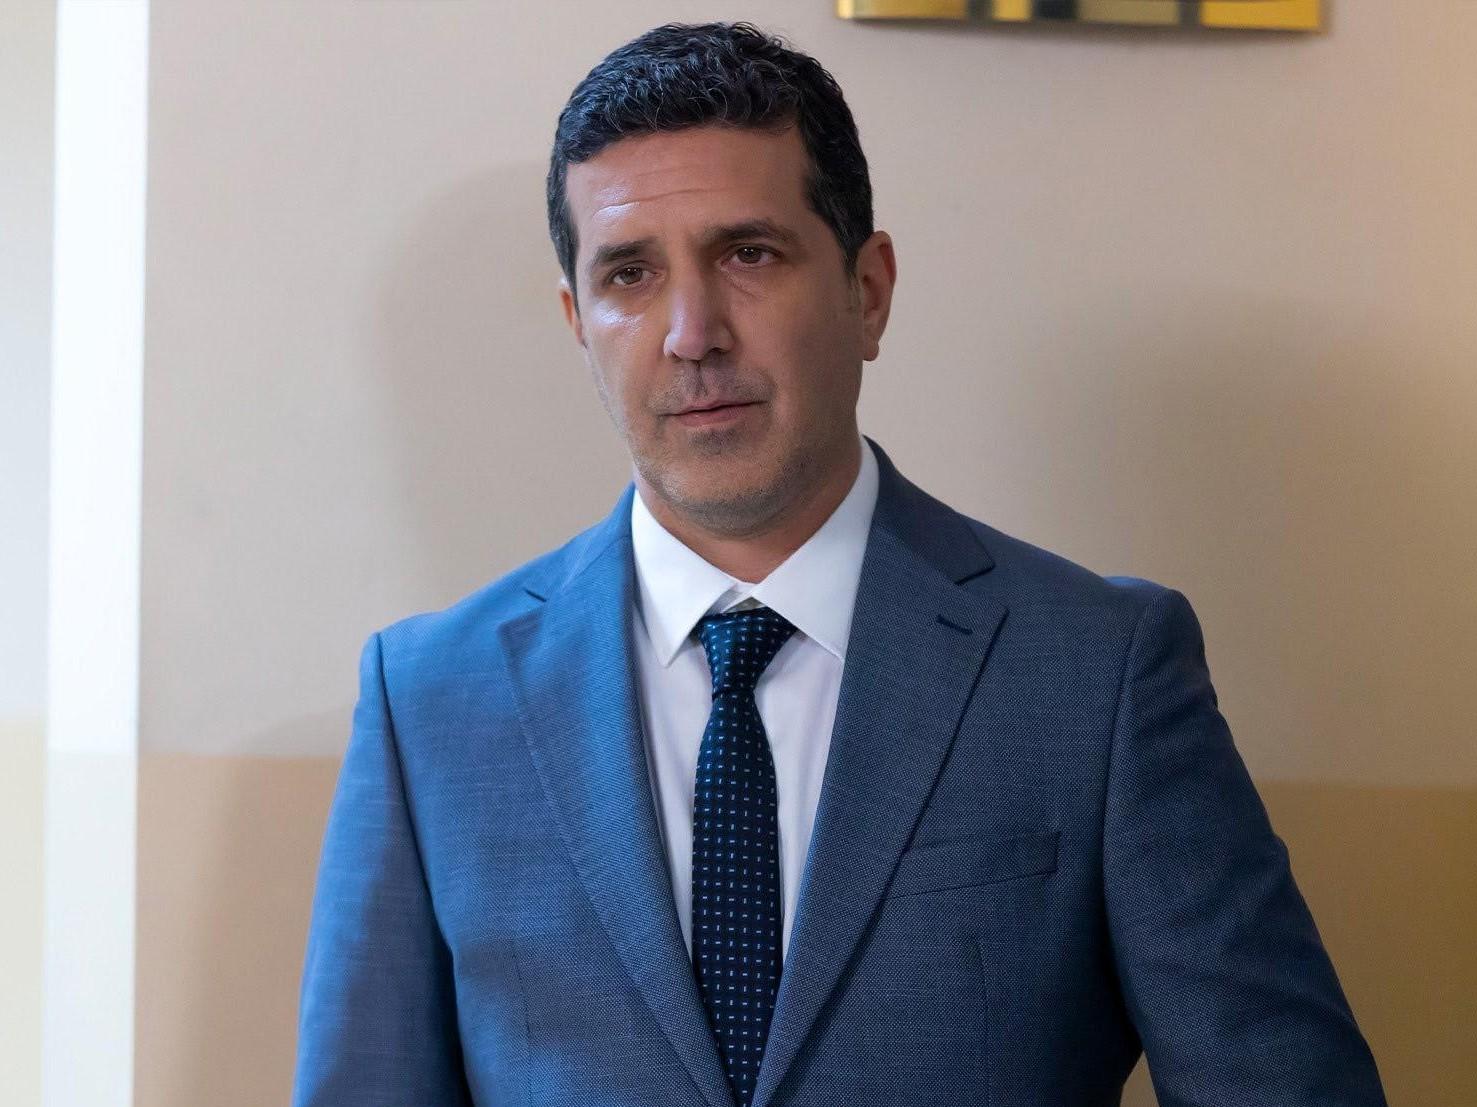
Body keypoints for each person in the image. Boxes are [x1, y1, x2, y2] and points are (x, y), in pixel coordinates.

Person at [292, 21, 1387, 1107]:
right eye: (630, 273)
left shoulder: (1097, 673)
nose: (691, 332)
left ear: (867, 290)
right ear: (579, 321)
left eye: (748, 254)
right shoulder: (429, 702)